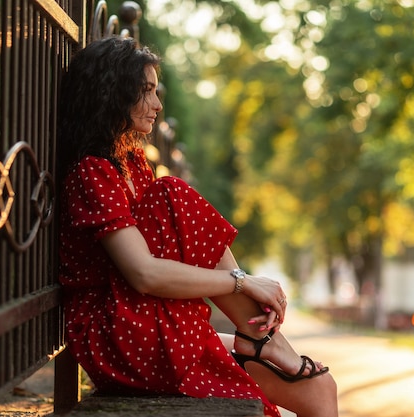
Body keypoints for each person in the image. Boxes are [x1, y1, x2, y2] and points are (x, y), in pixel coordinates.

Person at [57, 36, 338, 417]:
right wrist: (243, 281)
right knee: (172, 190)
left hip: (146, 316)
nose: (158, 105)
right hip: (116, 331)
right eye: (147, 92)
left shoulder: (132, 163)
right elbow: (144, 273)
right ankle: (262, 337)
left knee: (320, 390)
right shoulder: (92, 171)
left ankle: (262, 338)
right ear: (113, 94)